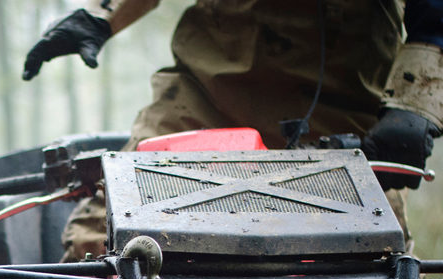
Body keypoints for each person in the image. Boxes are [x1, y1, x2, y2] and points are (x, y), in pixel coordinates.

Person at [23, 0, 443, 259]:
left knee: (376, 262)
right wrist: (102, 16)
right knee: (105, 241)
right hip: (205, 89)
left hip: (346, 101)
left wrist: (416, 102)